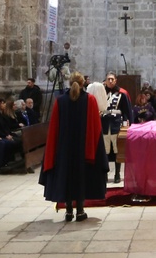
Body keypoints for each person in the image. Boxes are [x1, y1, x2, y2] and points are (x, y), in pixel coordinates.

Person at [40, 73, 108, 222]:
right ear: (83, 83)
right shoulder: (90, 100)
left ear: (70, 83)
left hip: (64, 149)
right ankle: (80, 211)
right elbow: (96, 128)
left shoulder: (60, 101)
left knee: (67, 178)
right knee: (81, 178)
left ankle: (69, 211)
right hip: (83, 149)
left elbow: (54, 128)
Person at [100, 74, 133, 183]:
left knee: (117, 150)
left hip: (116, 124)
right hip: (104, 124)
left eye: (112, 79)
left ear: (115, 80)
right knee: (105, 151)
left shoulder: (122, 93)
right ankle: (104, 174)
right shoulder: (101, 92)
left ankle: (117, 173)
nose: (110, 81)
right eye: (108, 79)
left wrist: (129, 125)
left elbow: (127, 110)